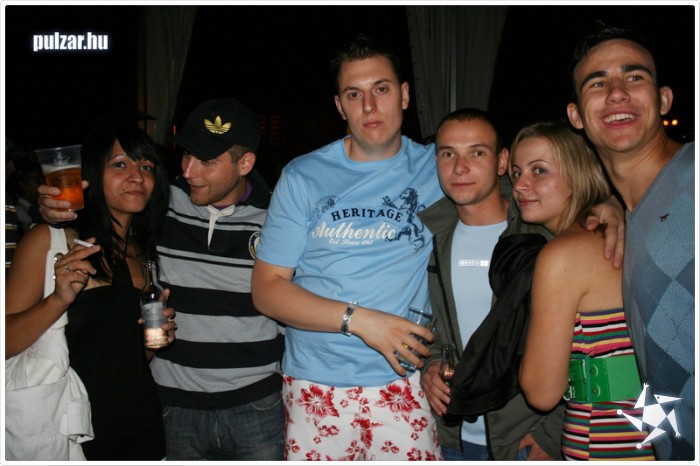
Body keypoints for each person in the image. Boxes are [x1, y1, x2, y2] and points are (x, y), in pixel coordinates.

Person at [38, 98, 285, 461]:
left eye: (207, 161)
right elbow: (106, 209)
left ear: (244, 163)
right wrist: (56, 212)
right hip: (172, 403)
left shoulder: (280, 218)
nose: (188, 170)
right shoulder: (160, 202)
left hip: (255, 404)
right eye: (186, 155)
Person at [251, 34, 444, 461]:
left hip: (405, 381)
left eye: (381, 89)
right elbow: (267, 290)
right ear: (340, 106)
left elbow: (511, 197)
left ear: (405, 95)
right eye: (354, 94)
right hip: (315, 384)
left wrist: (593, 209)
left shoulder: (438, 168)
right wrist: (361, 322)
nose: (369, 106)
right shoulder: (302, 176)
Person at [6, 124, 174, 460]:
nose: (137, 177)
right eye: (119, 164)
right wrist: (58, 300)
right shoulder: (50, 241)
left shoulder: (143, 253)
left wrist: (153, 341)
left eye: (146, 167)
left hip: (142, 429)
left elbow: (125, 358)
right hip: (71, 434)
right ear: (92, 174)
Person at [566, 25, 695, 460]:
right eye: (597, 83)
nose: (617, 93)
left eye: (634, 76)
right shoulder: (629, 217)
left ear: (663, 99)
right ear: (576, 116)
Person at [418, 109, 565, 461]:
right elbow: (435, 325)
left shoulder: (542, 236)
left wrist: (553, 433)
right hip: (452, 439)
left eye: (477, 152)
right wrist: (431, 366)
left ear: (501, 162)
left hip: (524, 440)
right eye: (448, 153)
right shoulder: (427, 239)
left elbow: (583, 340)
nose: (460, 168)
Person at [515, 120, 655, 460]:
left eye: (539, 170)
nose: (519, 185)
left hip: (605, 438)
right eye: (516, 172)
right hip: (656, 428)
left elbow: (541, 392)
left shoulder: (562, 255)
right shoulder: (626, 230)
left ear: (578, 173)